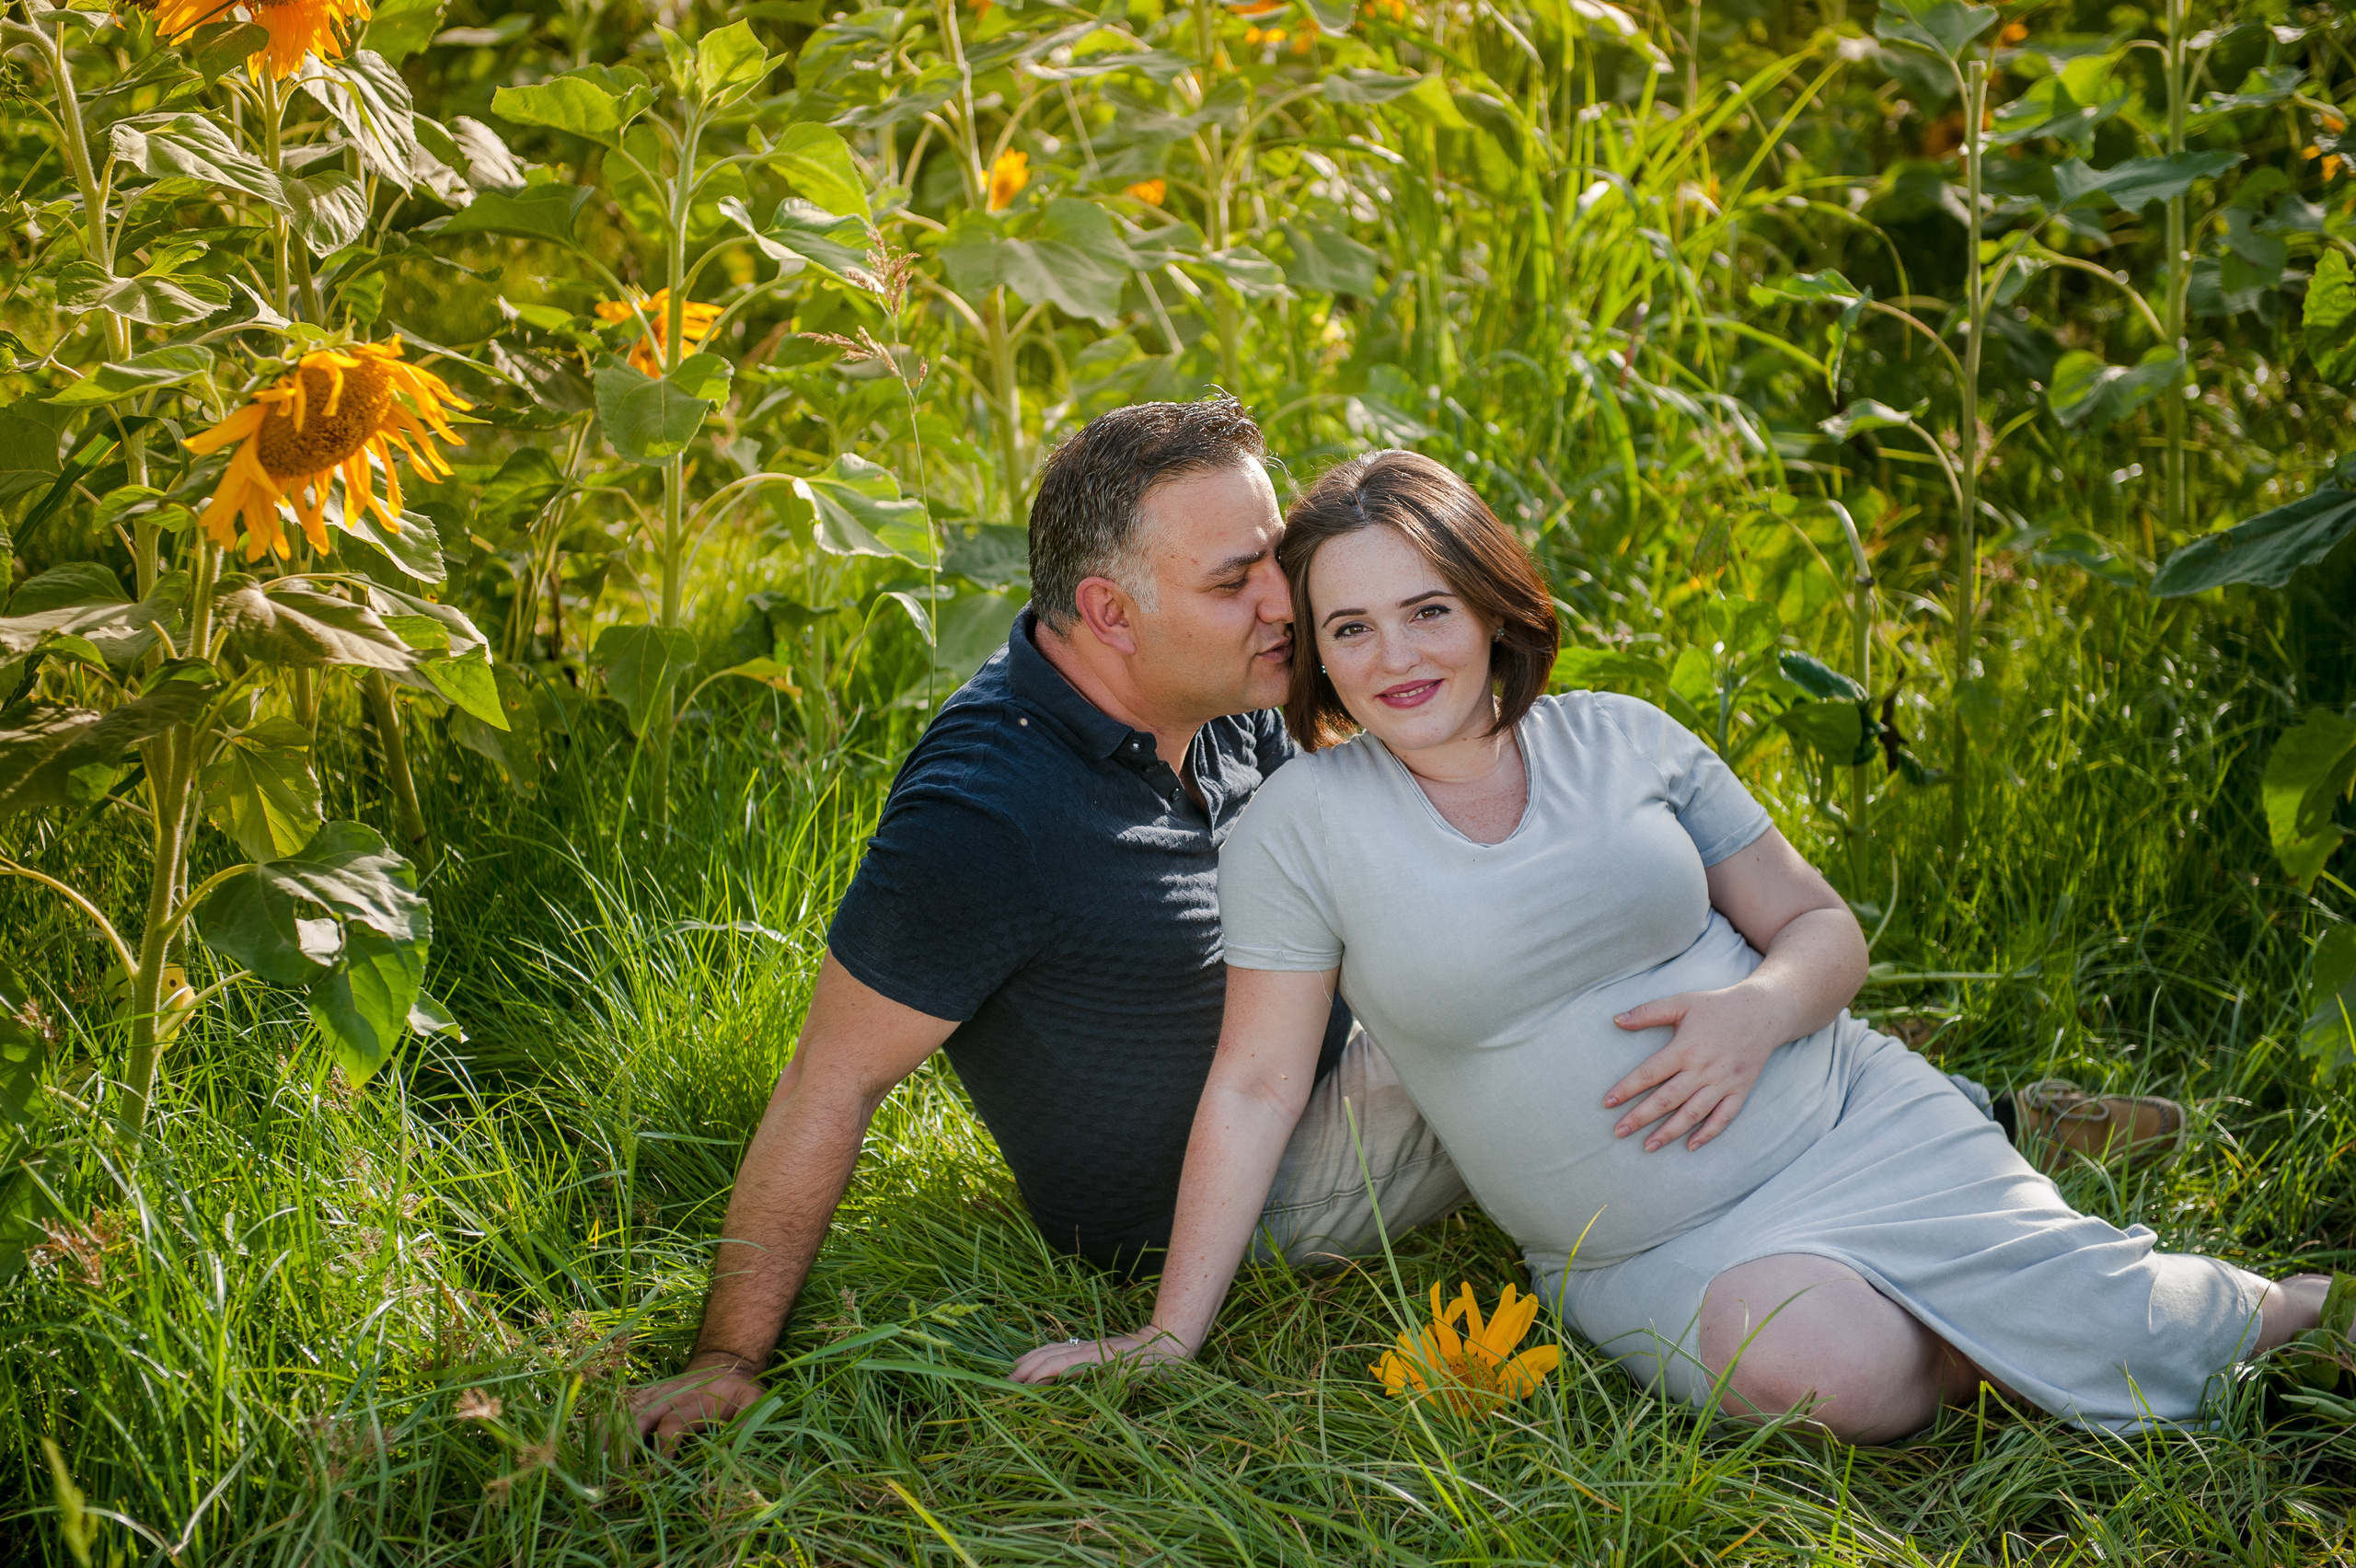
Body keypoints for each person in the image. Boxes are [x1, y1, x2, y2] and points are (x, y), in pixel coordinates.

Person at [1011, 449, 2333, 1442]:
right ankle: (2003, 1319)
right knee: (1835, 1381)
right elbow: (1252, 1083)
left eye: (1427, 610)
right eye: (1350, 628)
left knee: (2206, 1320)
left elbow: (1820, 928)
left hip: (1839, 1121)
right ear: (1317, 657)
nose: (1396, 656)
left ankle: (2272, 1311)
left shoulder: (1626, 739)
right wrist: (1169, 1335)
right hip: (1640, 1248)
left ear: (1487, 605)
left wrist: (1756, 1012)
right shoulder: (1302, 826)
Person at [628, 399, 1474, 1447]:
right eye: (1232, 580)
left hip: (1334, 1045)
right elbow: (830, 1079)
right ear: (1110, 614)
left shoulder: (1220, 682)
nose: (1284, 603)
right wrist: (725, 1358)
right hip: (1248, 1194)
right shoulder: (989, 818)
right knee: (1559, 1014)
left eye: (1274, 558)